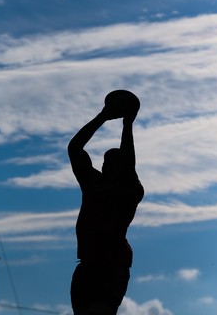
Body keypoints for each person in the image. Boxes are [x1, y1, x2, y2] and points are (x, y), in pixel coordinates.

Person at [68, 101, 144, 315]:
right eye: (105, 163)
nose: (106, 166)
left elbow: (129, 160)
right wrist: (102, 117)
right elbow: (75, 149)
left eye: (113, 163)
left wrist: (127, 124)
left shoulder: (130, 191)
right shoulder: (93, 183)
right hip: (87, 264)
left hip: (111, 266)